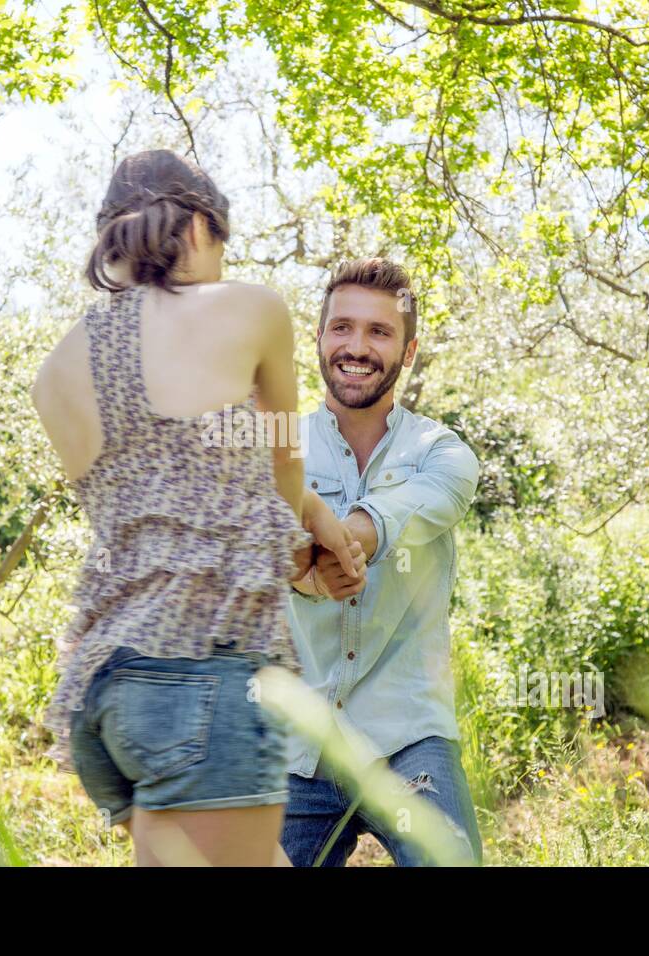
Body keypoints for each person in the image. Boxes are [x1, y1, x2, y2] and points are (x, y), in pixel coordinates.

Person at [31, 149, 362, 866]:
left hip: (105, 693)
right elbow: (282, 461)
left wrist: (312, 512)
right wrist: (306, 554)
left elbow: (171, 495)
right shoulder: (251, 309)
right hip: (201, 679)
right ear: (204, 226)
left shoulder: (55, 370)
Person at [280, 257, 484, 866]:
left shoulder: (442, 452)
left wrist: (341, 541)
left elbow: (410, 508)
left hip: (409, 737)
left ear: (408, 350)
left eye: (379, 332)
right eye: (342, 327)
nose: (357, 347)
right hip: (299, 744)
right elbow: (257, 549)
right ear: (319, 338)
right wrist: (304, 573)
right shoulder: (278, 452)